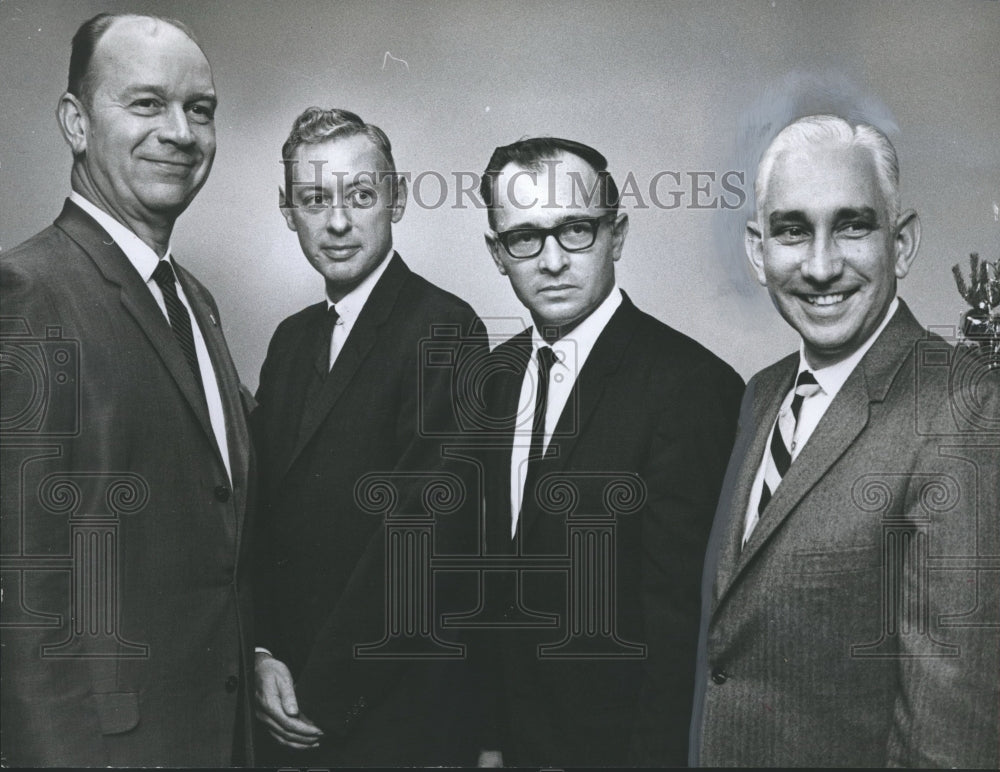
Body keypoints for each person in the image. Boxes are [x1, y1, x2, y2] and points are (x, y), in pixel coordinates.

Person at [690, 114, 1000, 767]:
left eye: (853, 226)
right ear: (758, 252)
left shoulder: (963, 409)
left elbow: (950, 734)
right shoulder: (764, 392)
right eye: (792, 231)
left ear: (902, 243)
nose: (821, 266)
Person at [0, 13, 256, 767]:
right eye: (146, 103)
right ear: (76, 123)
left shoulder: (194, 301)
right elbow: (27, 589)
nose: (180, 132)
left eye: (199, 109)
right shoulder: (27, 292)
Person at [474, 136, 744, 766]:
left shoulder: (692, 386)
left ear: (616, 235)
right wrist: (488, 742)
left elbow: (682, 626)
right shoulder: (490, 379)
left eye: (576, 230)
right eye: (525, 237)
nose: (552, 261)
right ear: (497, 252)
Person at [252, 107, 486, 766]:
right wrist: (262, 653)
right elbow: (260, 518)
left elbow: (423, 543)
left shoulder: (446, 328)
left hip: (386, 709)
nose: (337, 222)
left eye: (359, 196)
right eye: (313, 199)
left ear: (398, 199)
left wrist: (321, 698)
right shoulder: (290, 340)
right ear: (287, 210)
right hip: (284, 694)